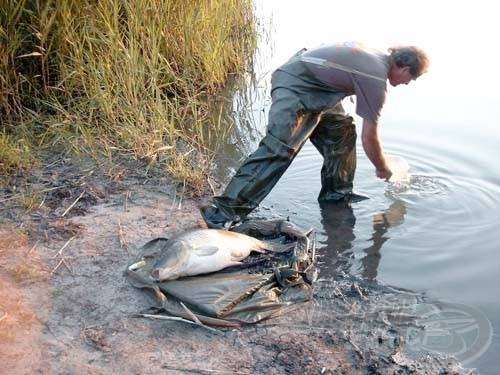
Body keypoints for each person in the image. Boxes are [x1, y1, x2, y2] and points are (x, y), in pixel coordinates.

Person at [201, 42, 429, 229]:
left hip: (320, 87)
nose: (408, 83)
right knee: (279, 149)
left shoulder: (377, 58)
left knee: (341, 131)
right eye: (412, 78)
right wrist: (382, 168)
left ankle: (336, 195)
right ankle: (221, 213)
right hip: (295, 84)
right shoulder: (375, 77)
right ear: (404, 68)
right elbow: (370, 137)